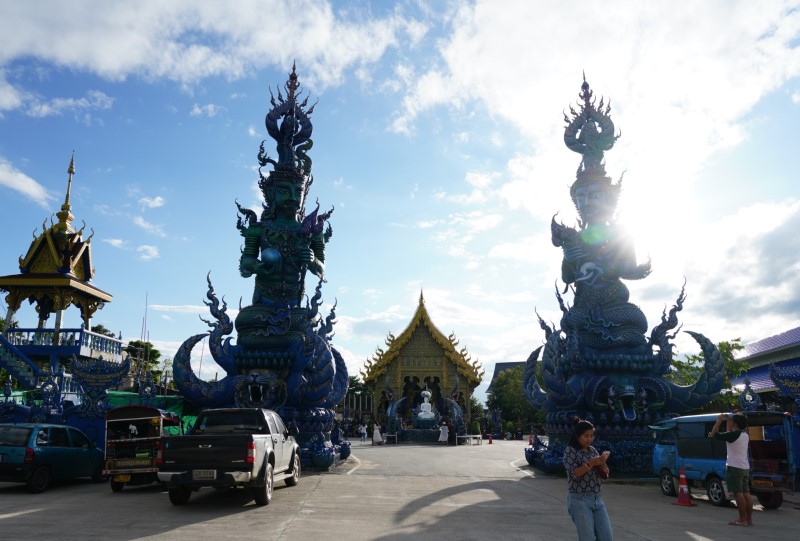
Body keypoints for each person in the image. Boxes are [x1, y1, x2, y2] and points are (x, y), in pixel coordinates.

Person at [563, 418, 612, 541]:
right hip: (580, 500)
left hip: (597, 498)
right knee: (587, 538)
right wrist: (591, 463)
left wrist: (603, 468)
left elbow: (602, 475)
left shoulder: (593, 450)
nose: (589, 439)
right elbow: (575, 473)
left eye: (591, 436)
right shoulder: (570, 451)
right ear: (578, 436)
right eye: (586, 436)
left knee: (606, 537)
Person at [711, 412, 753, 526]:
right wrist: (729, 421)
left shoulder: (733, 436)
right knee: (746, 493)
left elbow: (714, 434)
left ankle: (742, 519)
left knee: (738, 493)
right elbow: (729, 433)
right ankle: (749, 519)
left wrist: (719, 420)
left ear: (735, 424)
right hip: (744, 467)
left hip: (734, 468)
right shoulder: (745, 435)